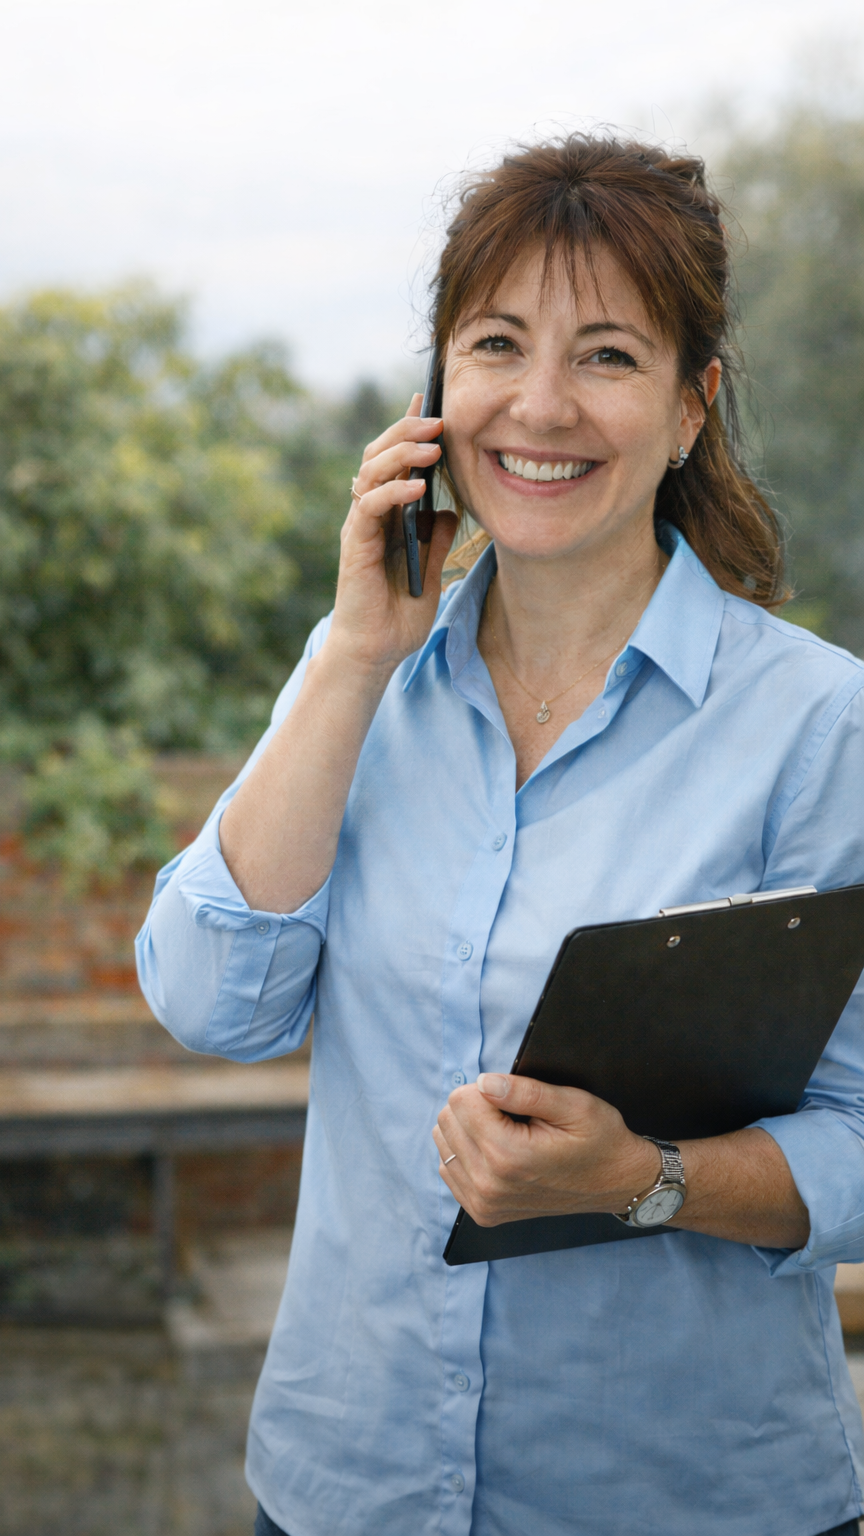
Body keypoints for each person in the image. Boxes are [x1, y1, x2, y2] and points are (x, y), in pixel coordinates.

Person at [136, 134, 864, 1536]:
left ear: (691, 405)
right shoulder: (358, 682)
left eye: (606, 356)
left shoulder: (819, 726)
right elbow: (210, 1001)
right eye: (495, 346)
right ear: (436, 391)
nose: (540, 406)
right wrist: (353, 657)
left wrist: (644, 1182)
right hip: (354, 1486)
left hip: (684, 1499)